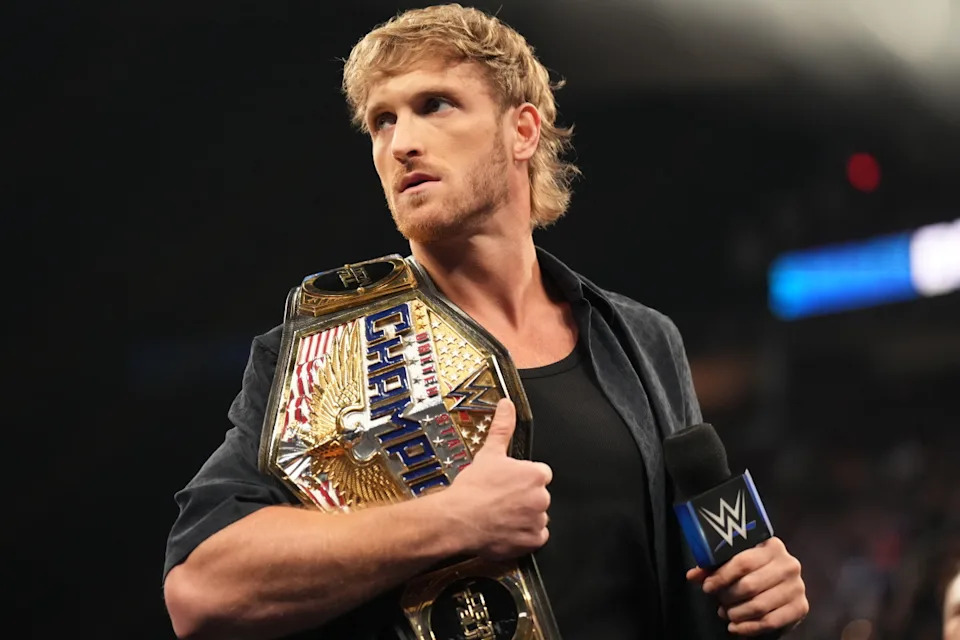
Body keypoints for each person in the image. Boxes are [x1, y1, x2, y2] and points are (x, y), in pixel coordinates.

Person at [162, 4, 809, 639]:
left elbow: (691, 575)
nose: (401, 143)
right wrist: (450, 522)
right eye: (382, 121)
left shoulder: (641, 339)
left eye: (435, 105)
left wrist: (761, 589)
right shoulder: (324, 351)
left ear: (522, 131)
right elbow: (201, 592)